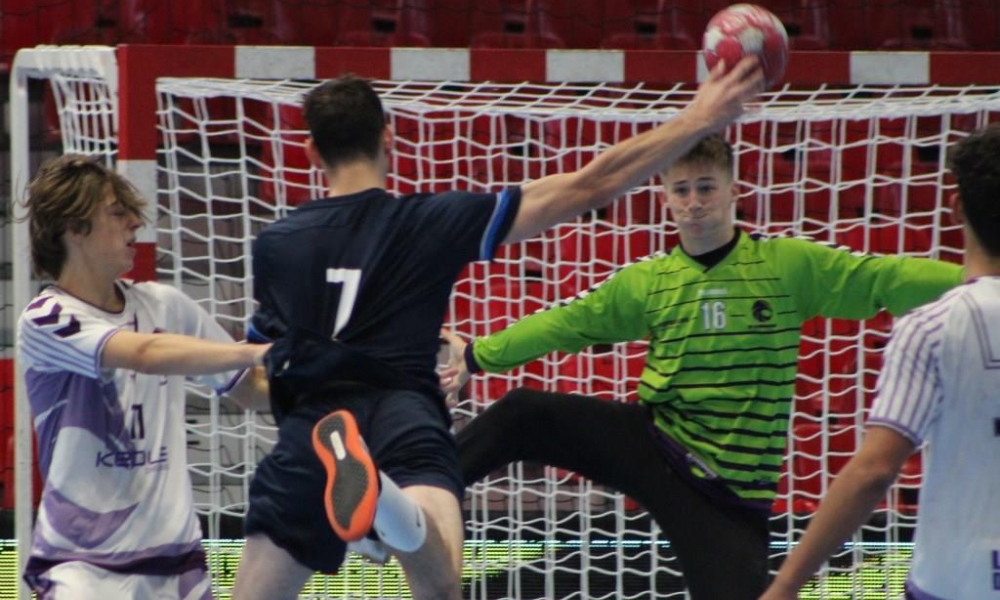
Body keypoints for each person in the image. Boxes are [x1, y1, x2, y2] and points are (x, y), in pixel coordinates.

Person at [230, 59, 765, 600]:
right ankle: (388, 507)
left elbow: (258, 380)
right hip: (401, 412)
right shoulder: (430, 219)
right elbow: (590, 185)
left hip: (313, 425)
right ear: (388, 137)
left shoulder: (278, 244)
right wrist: (697, 118)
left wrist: (224, 380)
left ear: (312, 152)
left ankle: (375, 496)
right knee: (438, 581)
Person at [439, 133, 966, 600]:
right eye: (682, 190)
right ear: (666, 198)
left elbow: (884, 278)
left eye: (707, 188)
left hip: (728, 496)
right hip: (657, 445)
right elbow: (569, 323)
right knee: (523, 413)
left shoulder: (788, 267)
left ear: (734, 191)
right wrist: (477, 355)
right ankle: (416, 497)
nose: (694, 203)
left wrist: (977, 278)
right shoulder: (650, 280)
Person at [758, 126, 1000, 600]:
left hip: (954, 581)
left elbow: (874, 471)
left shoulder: (931, 327)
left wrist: (785, 586)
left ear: (956, 207)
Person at [16, 155, 270, 599]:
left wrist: (324, 374)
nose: (135, 222)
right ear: (74, 227)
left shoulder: (166, 305)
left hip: (178, 564)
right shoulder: (46, 319)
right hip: (84, 569)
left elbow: (253, 389)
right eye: (117, 213)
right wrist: (257, 349)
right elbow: (145, 353)